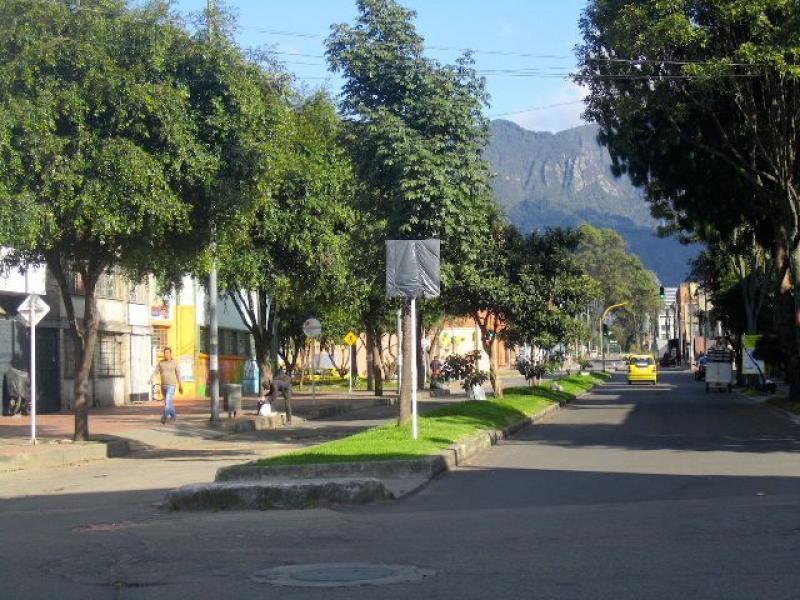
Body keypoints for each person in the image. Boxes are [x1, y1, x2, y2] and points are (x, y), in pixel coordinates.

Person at [149, 347, 182, 424]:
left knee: (167, 400)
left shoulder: (175, 362)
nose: (166, 354)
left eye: (167, 353)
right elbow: (155, 371)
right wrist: (151, 378)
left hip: (172, 385)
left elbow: (178, 374)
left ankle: (165, 416)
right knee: (168, 403)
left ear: (170, 353)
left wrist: (180, 384)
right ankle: (173, 417)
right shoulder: (161, 363)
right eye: (165, 353)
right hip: (163, 386)